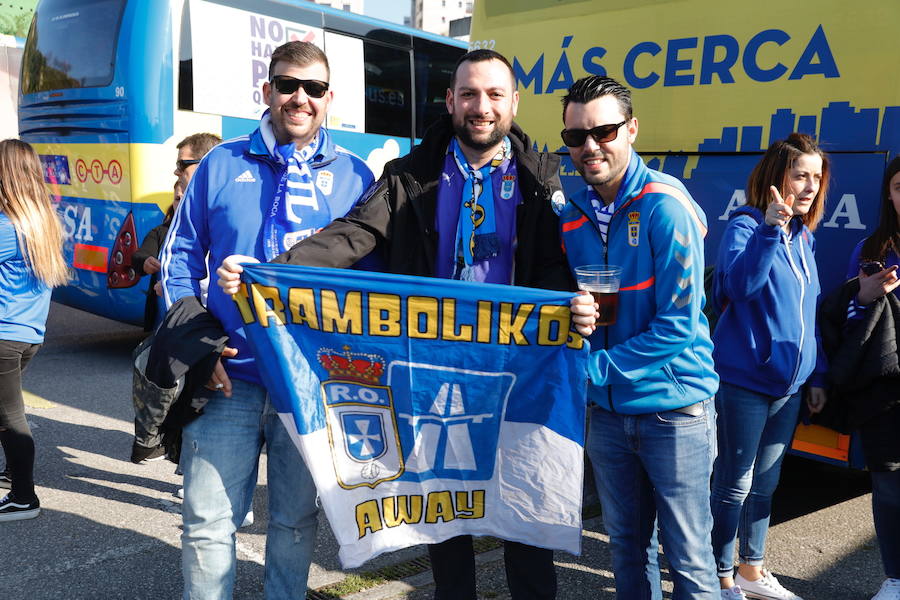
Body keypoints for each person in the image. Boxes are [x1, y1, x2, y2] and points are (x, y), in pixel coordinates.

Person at [218, 49, 584, 600]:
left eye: (493, 95)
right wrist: (271, 274)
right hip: (432, 369)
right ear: (450, 101)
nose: (480, 107)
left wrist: (577, 303)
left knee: (525, 523)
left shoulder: (547, 178)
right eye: (468, 95)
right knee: (446, 521)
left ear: (513, 102)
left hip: (519, 373)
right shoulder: (409, 175)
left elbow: (574, 259)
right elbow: (351, 235)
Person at [159, 41, 374, 599]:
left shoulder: (354, 176)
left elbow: (371, 280)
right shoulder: (221, 162)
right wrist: (196, 347)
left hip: (307, 385)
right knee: (207, 525)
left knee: (295, 523)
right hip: (226, 375)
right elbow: (178, 256)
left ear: (330, 100)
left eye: (315, 89)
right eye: (287, 85)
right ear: (267, 90)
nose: (300, 97)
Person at [558, 75, 720, 599]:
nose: (589, 147)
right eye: (576, 137)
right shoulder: (573, 215)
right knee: (626, 546)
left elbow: (679, 328)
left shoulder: (664, 205)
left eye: (603, 131)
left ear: (631, 130)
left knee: (690, 558)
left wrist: (590, 370)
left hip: (673, 411)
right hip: (606, 414)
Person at [709, 133, 829, 600]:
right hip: (746, 381)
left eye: (816, 178)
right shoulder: (747, 226)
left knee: (767, 483)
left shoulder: (805, 238)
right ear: (775, 176)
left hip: (790, 386)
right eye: (800, 174)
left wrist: (815, 375)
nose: (809, 186)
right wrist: (769, 231)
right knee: (734, 484)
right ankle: (719, 575)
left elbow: (808, 312)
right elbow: (738, 289)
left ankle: (751, 572)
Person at [818, 156, 900, 600]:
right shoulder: (873, 251)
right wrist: (864, 297)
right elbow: (847, 325)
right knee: (888, 488)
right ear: (889, 194)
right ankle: (895, 577)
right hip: (883, 388)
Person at [0, 139, 68, 521]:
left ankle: (24, 497)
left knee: (10, 415)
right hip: (28, 334)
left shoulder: (7, 226)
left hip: (4, 333)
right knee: (5, 411)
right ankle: (13, 472)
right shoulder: (42, 221)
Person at [132, 133, 221, 333]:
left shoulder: (224, 214)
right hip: (185, 329)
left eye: (182, 164)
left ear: (206, 164)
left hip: (209, 331)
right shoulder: (186, 217)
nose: (176, 171)